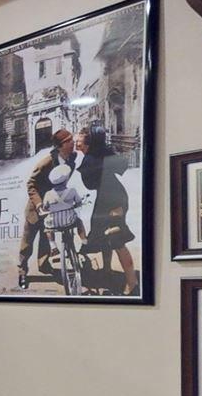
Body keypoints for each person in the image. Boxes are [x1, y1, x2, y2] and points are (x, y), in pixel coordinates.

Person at [77, 124, 138, 296]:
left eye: (79, 142)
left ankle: (132, 283)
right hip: (108, 197)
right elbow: (122, 166)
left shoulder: (92, 159)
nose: (76, 145)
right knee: (104, 235)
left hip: (113, 200)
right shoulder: (96, 156)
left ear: (89, 144)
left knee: (117, 240)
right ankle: (106, 270)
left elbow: (90, 184)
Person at [17, 128, 76, 289]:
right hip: (36, 208)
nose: (73, 143)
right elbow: (31, 184)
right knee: (27, 242)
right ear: (59, 146)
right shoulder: (46, 162)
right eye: (69, 141)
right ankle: (22, 271)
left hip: (53, 205)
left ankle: (44, 265)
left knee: (46, 238)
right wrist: (38, 204)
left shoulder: (72, 158)